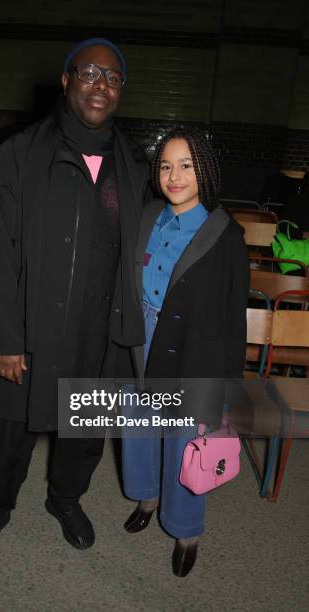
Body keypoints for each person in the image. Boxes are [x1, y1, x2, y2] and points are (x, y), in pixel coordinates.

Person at [0, 38, 150, 568]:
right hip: (28, 328)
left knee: (86, 430)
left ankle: (65, 500)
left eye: (113, 78)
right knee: (8, 432)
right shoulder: (19, 155)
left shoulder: (131, 165)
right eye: (90, 72)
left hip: (99, 329)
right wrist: (4, 338)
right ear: (66, 80)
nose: (101, 85)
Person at [109, 128, 249, 577]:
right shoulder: (148, 216)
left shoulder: (225, 236)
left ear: (205, 169)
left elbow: (232, 320)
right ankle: (147, 497)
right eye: (166, 165)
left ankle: (186, 530)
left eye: (186, 165)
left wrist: (223, 392)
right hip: (141, 340)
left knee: (187, 440)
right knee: (139, 429)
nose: (175, 175)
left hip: (194, 354)